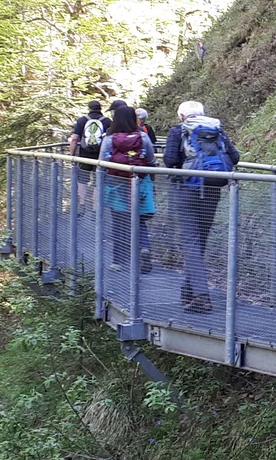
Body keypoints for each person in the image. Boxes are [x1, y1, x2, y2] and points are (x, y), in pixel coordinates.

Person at [163, 100, 240, 313]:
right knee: (199, 241)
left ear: (181, 116)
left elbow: (170, 160)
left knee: (190, 242)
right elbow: (235, 157)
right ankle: (188, 292)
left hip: (186, 189)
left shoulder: (178, 130)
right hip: (213, 189)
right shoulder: (216, 129)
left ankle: (201, 296)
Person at [98, 102, 157, 272]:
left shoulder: (109, 138)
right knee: (139, 220)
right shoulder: (143, 137)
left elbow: (102, 162)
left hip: (116, 185)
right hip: (139, 182)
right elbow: (151, 161)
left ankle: (118, 260)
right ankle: (143, 248)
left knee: (119, 222)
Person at [67, 100, 109, 209]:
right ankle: (96, 206)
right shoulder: (107, 121)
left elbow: (75, 139)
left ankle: (82, 204)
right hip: (100, 156)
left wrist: (72, 156)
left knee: (82, 180)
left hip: (84, 155)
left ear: (89, 108)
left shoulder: (82, 120)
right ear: (100, 108)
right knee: (98, 181)